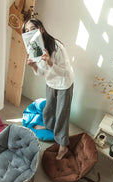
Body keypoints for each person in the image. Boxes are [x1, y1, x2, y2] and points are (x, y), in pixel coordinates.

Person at [22, 18, 74, 160]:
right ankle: (49, 126)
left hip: (64, 82)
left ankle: (63, 145)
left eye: (33, 28)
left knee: (62, 113)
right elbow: (42, 73)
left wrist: (50, 62)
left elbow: (64, 71)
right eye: (27, 31)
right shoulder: (35, 48)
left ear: (41, 29)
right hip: (51, 82)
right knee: (49, 108)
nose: (30, 32)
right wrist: (33, 66)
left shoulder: (57, 47)